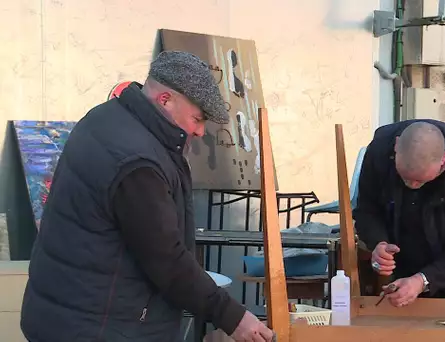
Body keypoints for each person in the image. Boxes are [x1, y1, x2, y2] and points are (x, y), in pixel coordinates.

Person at [20, 51, 274, 342]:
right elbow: (166, 259)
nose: (200, 131)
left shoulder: (108, 116)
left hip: (66, 314)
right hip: (98, 326)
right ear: (165, 100)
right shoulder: (137, 162)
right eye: (197, 118)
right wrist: (233, 317)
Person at [353, 119, 445, 307]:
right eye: (405, 178)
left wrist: (424, 280)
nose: (412, 186)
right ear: (396, 146)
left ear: (444, 159)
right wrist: (378, 243)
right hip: (403, 269)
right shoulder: (379, 150)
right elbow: (366, 209)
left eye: (420, 181)